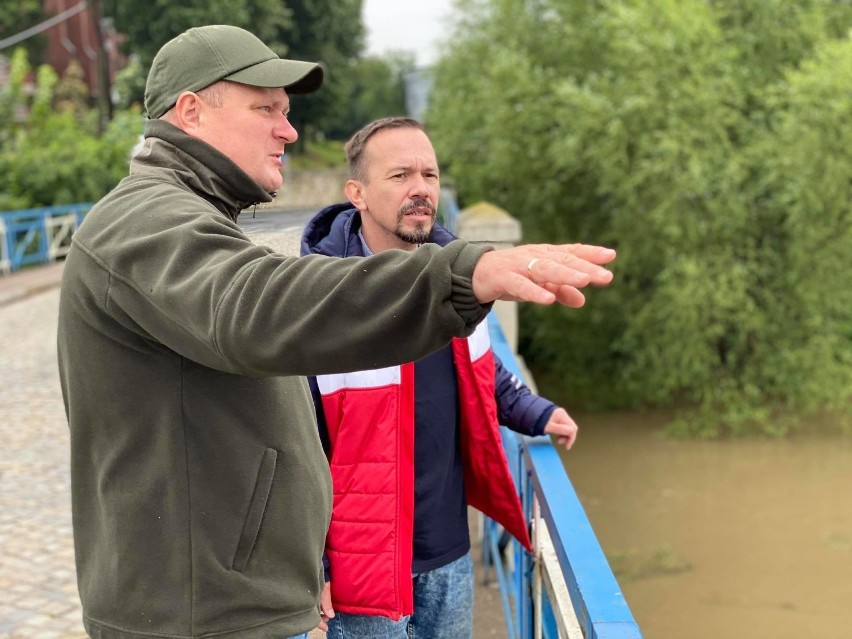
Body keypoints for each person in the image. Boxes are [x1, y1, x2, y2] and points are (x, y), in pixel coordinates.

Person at [56, 25, 616, 639]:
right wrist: (461, 274)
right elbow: (256, 305)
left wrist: (531, 410)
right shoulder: (144, 221)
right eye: (265, 108)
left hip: (243, 603)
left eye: (287, 113)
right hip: (204, 618)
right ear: (191, 111)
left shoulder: (187, 216)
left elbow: (482, 381)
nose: (288, 131)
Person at [300, 117, 582, 638]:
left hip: (449, 554)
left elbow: (485, 376)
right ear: (356, 193)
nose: (421, 190)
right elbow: (297, 447)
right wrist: (313, 569)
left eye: (429, 175)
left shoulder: (459, 285)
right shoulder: (319, 303)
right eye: (401, 175)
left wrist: (540, 413)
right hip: (361, 568)